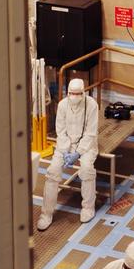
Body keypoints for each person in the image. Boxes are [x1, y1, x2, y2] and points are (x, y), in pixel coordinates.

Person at [37, 77, 99, 230]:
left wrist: (78, 153)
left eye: (77, 94)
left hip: (86, 145)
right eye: (71, 93)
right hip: (65, 146)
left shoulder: (91, 105)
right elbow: (60, 130)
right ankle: (46, 214)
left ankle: (88, 207)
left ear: (83, 93)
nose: (74, 96)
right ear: (68, 92)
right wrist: (65, 151)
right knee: (52, 172)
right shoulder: (63, 105)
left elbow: (91, 134)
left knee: (86, 170)